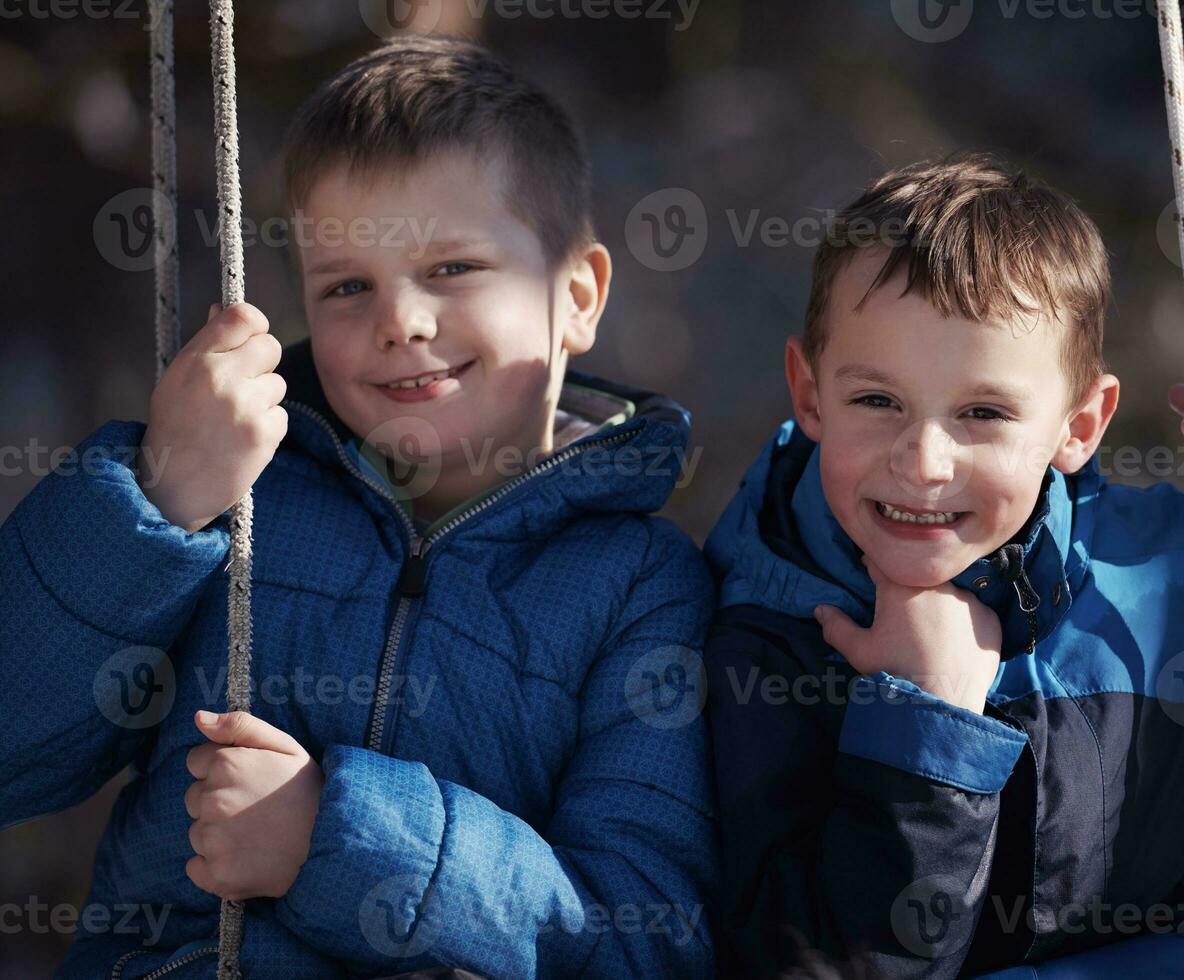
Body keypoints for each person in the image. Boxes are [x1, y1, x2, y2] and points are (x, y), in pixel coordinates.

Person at [0, 36, 715, 979]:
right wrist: (159, 502)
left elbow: (641, 944)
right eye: (347, 285)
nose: (399, 321)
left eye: (454, 268)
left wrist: (336, 836)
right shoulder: (233, 493)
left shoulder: (642, 588)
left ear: (576, 296)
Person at [701, 153, 1184, 978]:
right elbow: (805, 962)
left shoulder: (1156, 571)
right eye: (877, 401)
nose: (924, 459)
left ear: (1079, 424)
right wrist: (921, 724)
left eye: (982, 412)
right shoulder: (763, 638)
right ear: (809, 394)